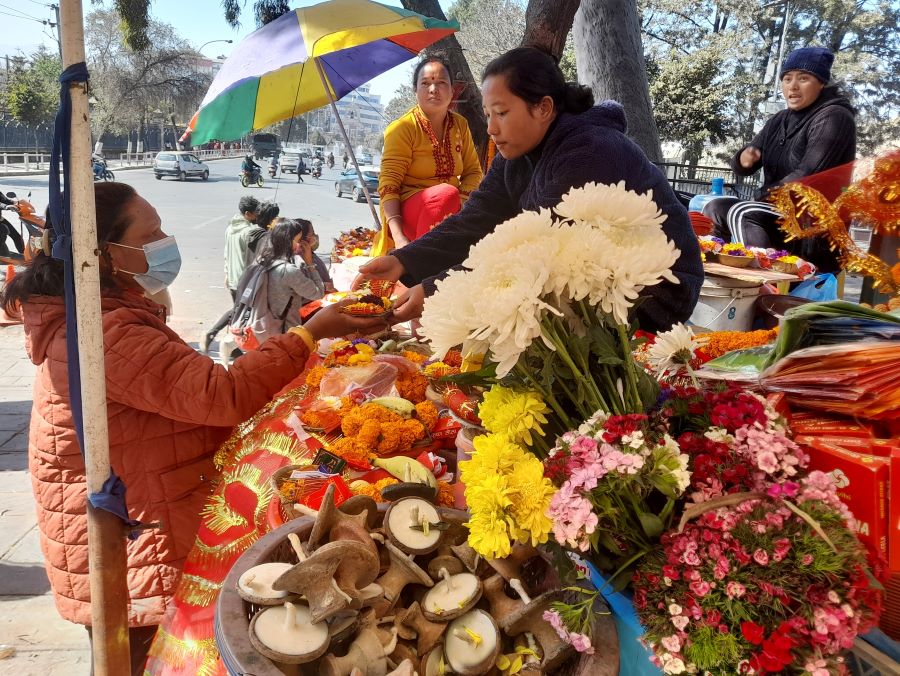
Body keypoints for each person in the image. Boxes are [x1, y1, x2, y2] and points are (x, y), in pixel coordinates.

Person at [0, 182, 386, 675]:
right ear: (105, 252)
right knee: (150, 660)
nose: (165, 240)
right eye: (152, 232)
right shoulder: (104, 330)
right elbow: (217, 394)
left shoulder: (108, 310)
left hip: (147, 504)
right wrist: (309, 335)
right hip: (134, 537)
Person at [358, 47, 702, 332]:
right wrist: (403, 260)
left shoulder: (591, 150)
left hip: (656, 291)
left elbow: (539, 250)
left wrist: (435, 289)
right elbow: (475, 220)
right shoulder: (515, 153)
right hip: (586, 279)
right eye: (487, 115)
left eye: (502, 113)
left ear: (544, 107)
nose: (491, 128)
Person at [703, 47, 856, 272]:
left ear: (821, 83)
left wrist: (760, 196)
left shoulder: (834, 117)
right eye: (787, 79)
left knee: (743, 212)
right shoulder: (779, 120)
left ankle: (763, 284)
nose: (792, 86)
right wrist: (744, 159)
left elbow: (805, 178)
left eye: (803, 79)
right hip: (779, 214)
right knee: (715, 206)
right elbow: (746, 161)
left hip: (814, 228)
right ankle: (722, 272)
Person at [372, 54, 484, 255]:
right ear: (415, 90)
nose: (433, 89)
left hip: (451, 207)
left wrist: (461, 202)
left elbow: (474, 172)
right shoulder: (403, 128)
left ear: (452, 90)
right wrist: (399, 239)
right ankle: (420, 264)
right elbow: (389, 186)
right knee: (445, 194)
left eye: (441, 82)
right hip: (409, 214)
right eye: (425, 83)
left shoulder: (460, 124)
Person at [200, 196, 261, 354]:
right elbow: (252, 259)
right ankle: (213, 334)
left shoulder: (230, 228)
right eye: (256, 213)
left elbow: (226, 253)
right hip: (244, 279)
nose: (258, 217)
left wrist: (227, 273)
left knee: (238, 312)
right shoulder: (249, 232)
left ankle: (231, 347)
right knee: (239, 313)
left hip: (234, 277)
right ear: (248, 214)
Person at [260, 218, 326, 331]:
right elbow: (318, 293)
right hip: (284, 332)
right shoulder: (288, 271)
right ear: (287, 241)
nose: (300, 244)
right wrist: (310, 264)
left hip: (261, 327)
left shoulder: (260, 261)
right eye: (298, 240)